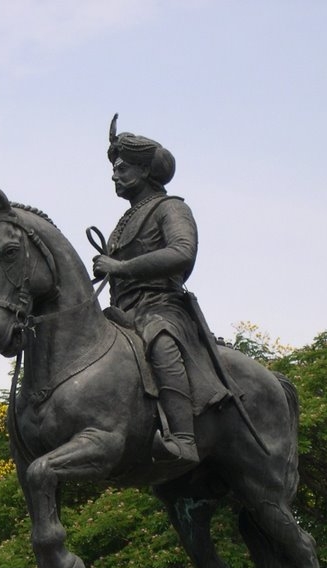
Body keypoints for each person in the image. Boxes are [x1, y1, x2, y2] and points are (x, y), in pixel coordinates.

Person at [93, 115, 222, 469]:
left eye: (122, 168)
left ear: (145, 170)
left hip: (162, 307)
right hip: (122, 312)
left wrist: (120, 267)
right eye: (114, 169)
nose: (114, 175)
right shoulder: (124, 220)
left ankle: (182, 437)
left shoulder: (172, 208)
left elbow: (182, 252)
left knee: (160, 340)